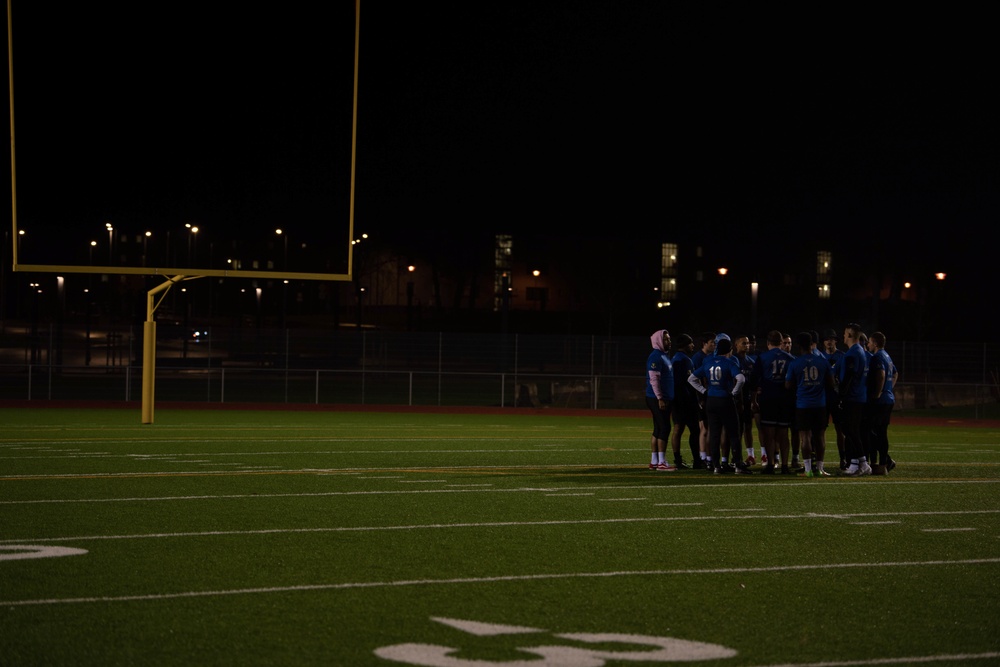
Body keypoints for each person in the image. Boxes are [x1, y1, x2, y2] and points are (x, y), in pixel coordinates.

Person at [688, 337, 750, 474]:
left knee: (714, 433)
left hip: (711, 400)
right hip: (725, 399)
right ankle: (738, 465)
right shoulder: (729, 362)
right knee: (734, 433)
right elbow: (741, 378)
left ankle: (716, 466)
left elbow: (691, 378)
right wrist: (734, 393)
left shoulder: (708, 362)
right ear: (729, 350)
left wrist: (704, 391)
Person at [785, 331, 834, 477]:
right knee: (820, 436)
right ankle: (819, 468)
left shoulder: (795, 363)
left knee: (805, 437)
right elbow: (831, 384)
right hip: (820, 404)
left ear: (799, 345)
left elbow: (788, 385)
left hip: (803, 405)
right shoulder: (822, 361)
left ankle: (807, 470)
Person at [752, 330, 795, 474]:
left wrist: (754, 399)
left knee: (769, 434)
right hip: (785, 399)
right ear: (781, 342)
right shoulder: (790, 358)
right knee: (783, 434)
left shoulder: (762, 357)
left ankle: (770, 464)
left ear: (768, 342)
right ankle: (784, 465)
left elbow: (754, 380)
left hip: (768, 398)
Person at [839, 322, 872, 476]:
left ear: (850, 335)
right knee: (851, 430)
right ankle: (855, 463)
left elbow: (849, 376)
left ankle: (863, 463)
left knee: (850, 430)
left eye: (845, 333)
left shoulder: (853, 353)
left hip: (853, 397)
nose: (843, 336)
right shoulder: (859, 351)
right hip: (858, 396)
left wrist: (841, 395)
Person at [644, 329, 676, 471]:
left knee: (658, 429)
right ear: (658, 341)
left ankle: (655, 461)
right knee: (664, 428)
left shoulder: (664, 355)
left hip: (662, 397)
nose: (669, 341)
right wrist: (660, 398)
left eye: (669, 339)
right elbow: (654, 379)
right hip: (657, 398)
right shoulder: (656, 356)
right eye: (666, 339)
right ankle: (662, 462)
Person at [866, 331, 898, 474]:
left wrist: (878, 393)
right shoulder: (887, 356)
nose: (868, 344)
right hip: (889, 398)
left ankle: (883, 463)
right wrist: (889, 388)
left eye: (870, 342)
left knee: (873, 431)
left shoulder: (877, 357)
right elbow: (896, 373)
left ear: (875, 343)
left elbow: (881, 375)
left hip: (881, 400)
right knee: (881, 432)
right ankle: (885, 462)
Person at [670, 333, 699, 468]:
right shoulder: (681, 360)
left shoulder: (681, 359)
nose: (693, 345)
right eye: (690, 343)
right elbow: (680, 384)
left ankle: (680, 460)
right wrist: (688, 400)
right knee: (691, 430)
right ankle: (695, 460)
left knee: (680, 429)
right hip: (684, 402)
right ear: (684, 345)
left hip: (681, 401)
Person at [820, 328, 847, 469]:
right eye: (826, 339)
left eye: (831, 339)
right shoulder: (819, 356)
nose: (829, 342)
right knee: (820, 430)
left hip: (836, 397)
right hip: (822, 398)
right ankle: (819, 461)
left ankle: (843, 458)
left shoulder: (842, 356)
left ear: (835, 341)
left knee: (840, 429)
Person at [690, 332, 717, 468]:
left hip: (709, 395)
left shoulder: (711, 357)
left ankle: (708, 456)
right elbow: (695, 378)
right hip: (703, 396)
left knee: (710, 428)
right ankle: (703, 457)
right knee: (704, 428)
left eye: (715, 342)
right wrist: (700, 396)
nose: (714, 344)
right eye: (711, 342)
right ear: (704, 343)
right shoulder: (698, 358)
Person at [733, 335, 758, 465]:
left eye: (748, 343)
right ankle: (735, 456)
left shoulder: (750, 362)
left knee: (748, 427)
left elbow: (753, 384)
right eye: (743, 343)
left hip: (747, 400)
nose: (747, 346)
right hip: (736, 401)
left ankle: (751, 455)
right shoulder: (733, 360)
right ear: (736, 345)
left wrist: (753, 400)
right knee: (737, 429)